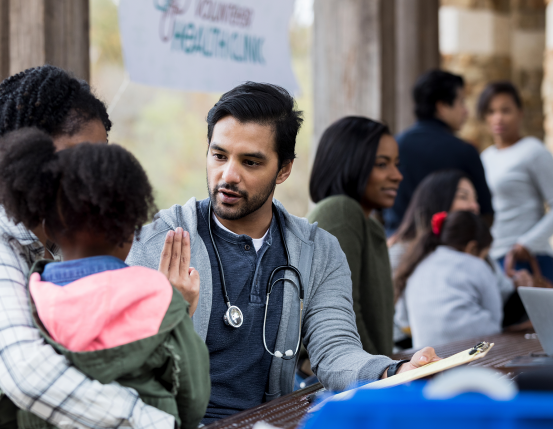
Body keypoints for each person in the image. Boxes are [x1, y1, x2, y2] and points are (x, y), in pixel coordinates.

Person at [126, 82, 441, 424]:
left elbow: (335, 351)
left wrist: (392, 371)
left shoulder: (317, 250)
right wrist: (175, 315)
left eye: (250, 162)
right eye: (219, 155)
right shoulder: (161, 241)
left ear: (284, 169)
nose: (228, 175)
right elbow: (124, 364)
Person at [0, 66, 174, 429]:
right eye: (78, 160)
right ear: (25, 157)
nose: (94, 177)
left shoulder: (66, 253)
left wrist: (167, 313)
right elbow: (28, 373)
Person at [0, 128, 211, 429]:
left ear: (52, 229)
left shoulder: (25, 297)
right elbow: (194, 397)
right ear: (130, 232)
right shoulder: (159, 299)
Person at [389, 170, 531, 348]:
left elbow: (504, 301)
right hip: (415, 354)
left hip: (427, 351)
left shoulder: (475, 255)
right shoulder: (400, 253)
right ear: (437, 200)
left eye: (476, 199)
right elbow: (495, 317)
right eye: (464, 197)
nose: (474, 206)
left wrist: (520, 288)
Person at [307, 116, 402, 356]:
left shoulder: (370, 224)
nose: (397, 175)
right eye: (382, 164)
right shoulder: (339, 210)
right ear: (350, 164)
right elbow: (346, 311)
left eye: (396, 164)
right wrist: (382, 375)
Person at [384, 69, 493, 234]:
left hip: (399, 246)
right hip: (447, 247)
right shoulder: (463, 151)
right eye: (461, 102)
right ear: (442, 106)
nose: (466, 111)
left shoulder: (395, 144)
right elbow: (485, 213)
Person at [478, 81, 553, 283]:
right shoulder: (485, 158)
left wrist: (527, 243)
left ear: (520, 113)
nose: (498, 118)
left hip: (529, 258)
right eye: (491, 111)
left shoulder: (533, 151)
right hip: (494, 258)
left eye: (505, 110)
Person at [395, 211, 502, 348]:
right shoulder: (477, 264)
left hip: (427, 352)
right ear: (472, 248)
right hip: (476, 346)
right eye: (484, 254)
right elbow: (495, 318)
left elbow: (403, 320)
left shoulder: (418, 263)